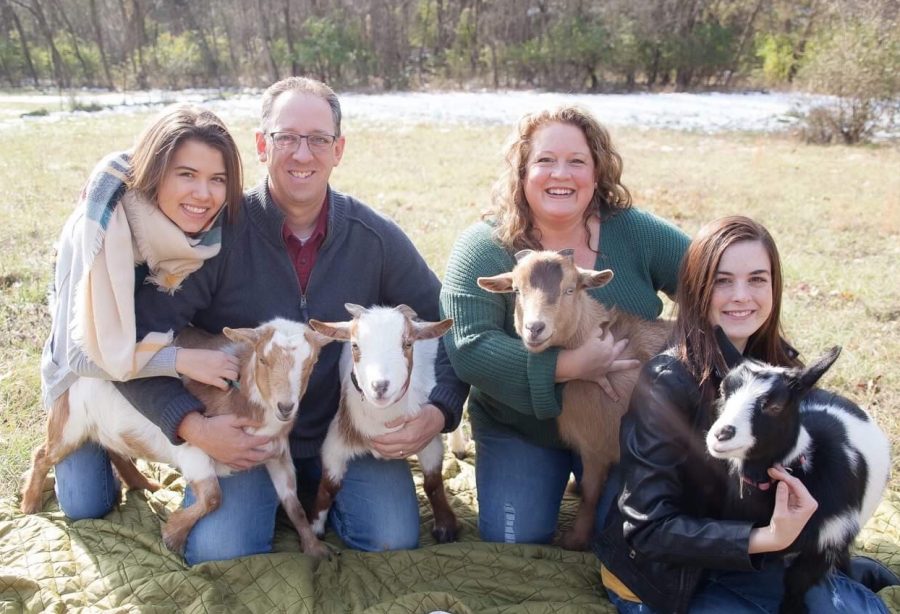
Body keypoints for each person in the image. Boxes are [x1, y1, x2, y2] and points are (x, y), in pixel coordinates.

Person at [114, 77, 468, 564]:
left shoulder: (375, 239)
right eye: (287, 138)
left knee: (393, 538)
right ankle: (263, 506)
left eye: (319, 139)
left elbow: (453, 324)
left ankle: (316, 500)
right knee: (222, 551)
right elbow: (137, 342)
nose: (303, 154)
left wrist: (438, 413)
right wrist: (192, 425)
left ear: (338, 149)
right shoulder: (215, 239)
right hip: (246, 439)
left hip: (345, 432)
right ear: (262, 145)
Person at [594, 216, 891, 613]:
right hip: (664, 577)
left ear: (774, 286)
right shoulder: (667, 381)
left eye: (756, 279)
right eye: (722, 280)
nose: (741, 296)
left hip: (753, 553)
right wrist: (768, 537)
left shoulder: (776, 365)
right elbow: (648, 530)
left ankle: (844, 576)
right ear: (698, 288)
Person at [439, 105, 689, 545]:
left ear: (597, 173)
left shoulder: (635, 233)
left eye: (577, 162)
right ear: (522, 172)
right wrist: (571, 365)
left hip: (620, 431)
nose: (562, 174)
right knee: (514, 536)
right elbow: (470, 348)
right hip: (521, 428)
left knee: (629, 536)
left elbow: (712, 280)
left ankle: (597, 491)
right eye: (545, 161)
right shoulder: (484, 246)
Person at [43, 105, 244, 520]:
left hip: (143, 356)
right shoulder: (99, 227)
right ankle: (99, 440)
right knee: (87, 505)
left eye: (217, 180)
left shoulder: (204, 236)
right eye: (186, 175)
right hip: (83, 377)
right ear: (156, 172)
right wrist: (182, 361)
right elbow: (80, 355)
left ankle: (125, 445)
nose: (203, 195)